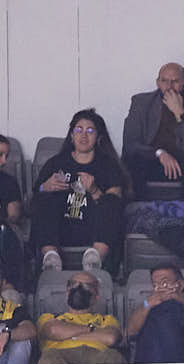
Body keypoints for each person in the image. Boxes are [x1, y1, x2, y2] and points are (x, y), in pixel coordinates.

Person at [33, 109, 127, 272]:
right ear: (71, 135)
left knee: (110, 202)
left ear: (98, 137)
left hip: (93, 229)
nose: (84, 136)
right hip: (61, 227)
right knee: (43, 197)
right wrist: (44, 187)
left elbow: (115, 204)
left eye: (90, 131)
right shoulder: (55, 163)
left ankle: (95, 259)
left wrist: (95, 190)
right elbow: (31, 202)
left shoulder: (108, 166)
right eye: (79, 130)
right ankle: (50, 258)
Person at [38, 271, 123, 364]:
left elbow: (110, 338)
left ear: (96, 296)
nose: (79, 288)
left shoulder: (106, 319)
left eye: (86, 286)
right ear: (67, 291)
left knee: (113, 356)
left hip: (96, 359)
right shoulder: (50, 318)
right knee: (49, 357)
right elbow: (53, 331)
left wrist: (69, 334)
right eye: (74, 285)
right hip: (61, 357)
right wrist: (91, 330)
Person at [122, 62, 184, 201]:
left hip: (181, 162)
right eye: (164, 81)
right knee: (132, 160)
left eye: (175, 81)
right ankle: (140, 214)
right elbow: (130, 142)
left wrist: (179, 113)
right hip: (150, 157)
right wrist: (160, 153)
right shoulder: (141, 102)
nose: (169, 86)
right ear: (157, 83)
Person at [127, 266, 184, 364]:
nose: (160, 289)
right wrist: (148, 304)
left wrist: (179, 298)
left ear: (180, 285)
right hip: (153, 355)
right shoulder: (147, 304)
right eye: (155, 284)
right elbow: (131, 331)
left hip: (183, 353)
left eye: (164, 283)